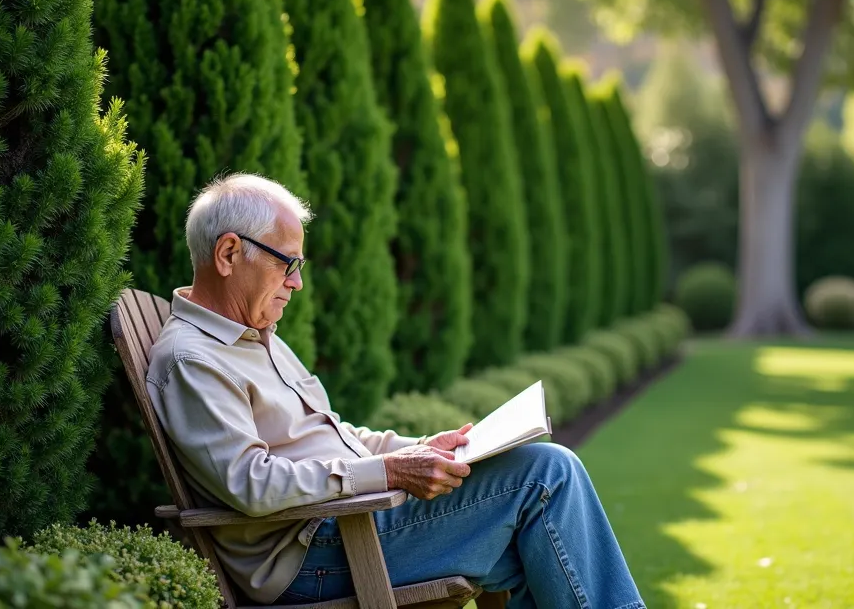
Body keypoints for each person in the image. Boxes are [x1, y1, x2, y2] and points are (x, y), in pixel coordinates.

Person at [146, 173, 644, 607]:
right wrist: (388, 472)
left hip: (349, 525)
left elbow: (336, 435)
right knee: (546, 474)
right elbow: (250, 482)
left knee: (534, 547)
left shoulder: (255, 338)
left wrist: (418, 449)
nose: (296, 283)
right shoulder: (195, 359)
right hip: (313, 553)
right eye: (286, 263)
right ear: (230, 253)